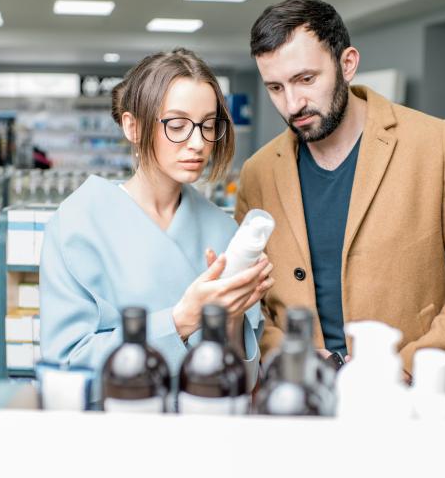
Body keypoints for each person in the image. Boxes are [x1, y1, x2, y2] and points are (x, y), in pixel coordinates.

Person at [237, 0, 445, 389]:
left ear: (347, 63)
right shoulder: (258, 172)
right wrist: (284, 350)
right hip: (296, 392)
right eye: (275, 87)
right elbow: (248, 301)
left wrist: (405, 367)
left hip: (404, 397)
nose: (292, 104)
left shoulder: (431, 144)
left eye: (306, 79)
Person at [40, 48, 273, 396]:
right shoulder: (76, 224)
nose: (198, 143)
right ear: (132, 126)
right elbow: (65, 367)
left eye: (208, 126)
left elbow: (243, 378)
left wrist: (232, 315)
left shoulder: (223, 230)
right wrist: (180, 321)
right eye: (177, 125)